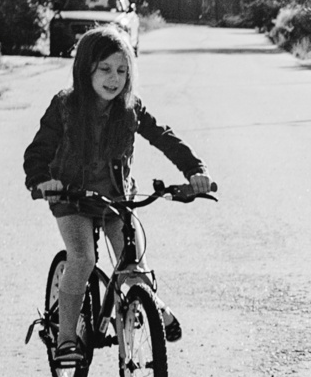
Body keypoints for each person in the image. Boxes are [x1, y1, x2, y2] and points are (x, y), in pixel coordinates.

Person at [23, 26, 213, 355]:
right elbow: (37, 152)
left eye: (122, 70)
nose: (115, 79)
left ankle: (153, 307)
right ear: (86, 69)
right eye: (105, 69)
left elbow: (165, 138)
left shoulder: (130, 108)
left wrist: (195, 171)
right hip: (71, 198)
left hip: (116, 199)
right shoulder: (65, 105)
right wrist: (42, 180)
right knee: (82, 258)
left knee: (134, 266)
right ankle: (66, 339)